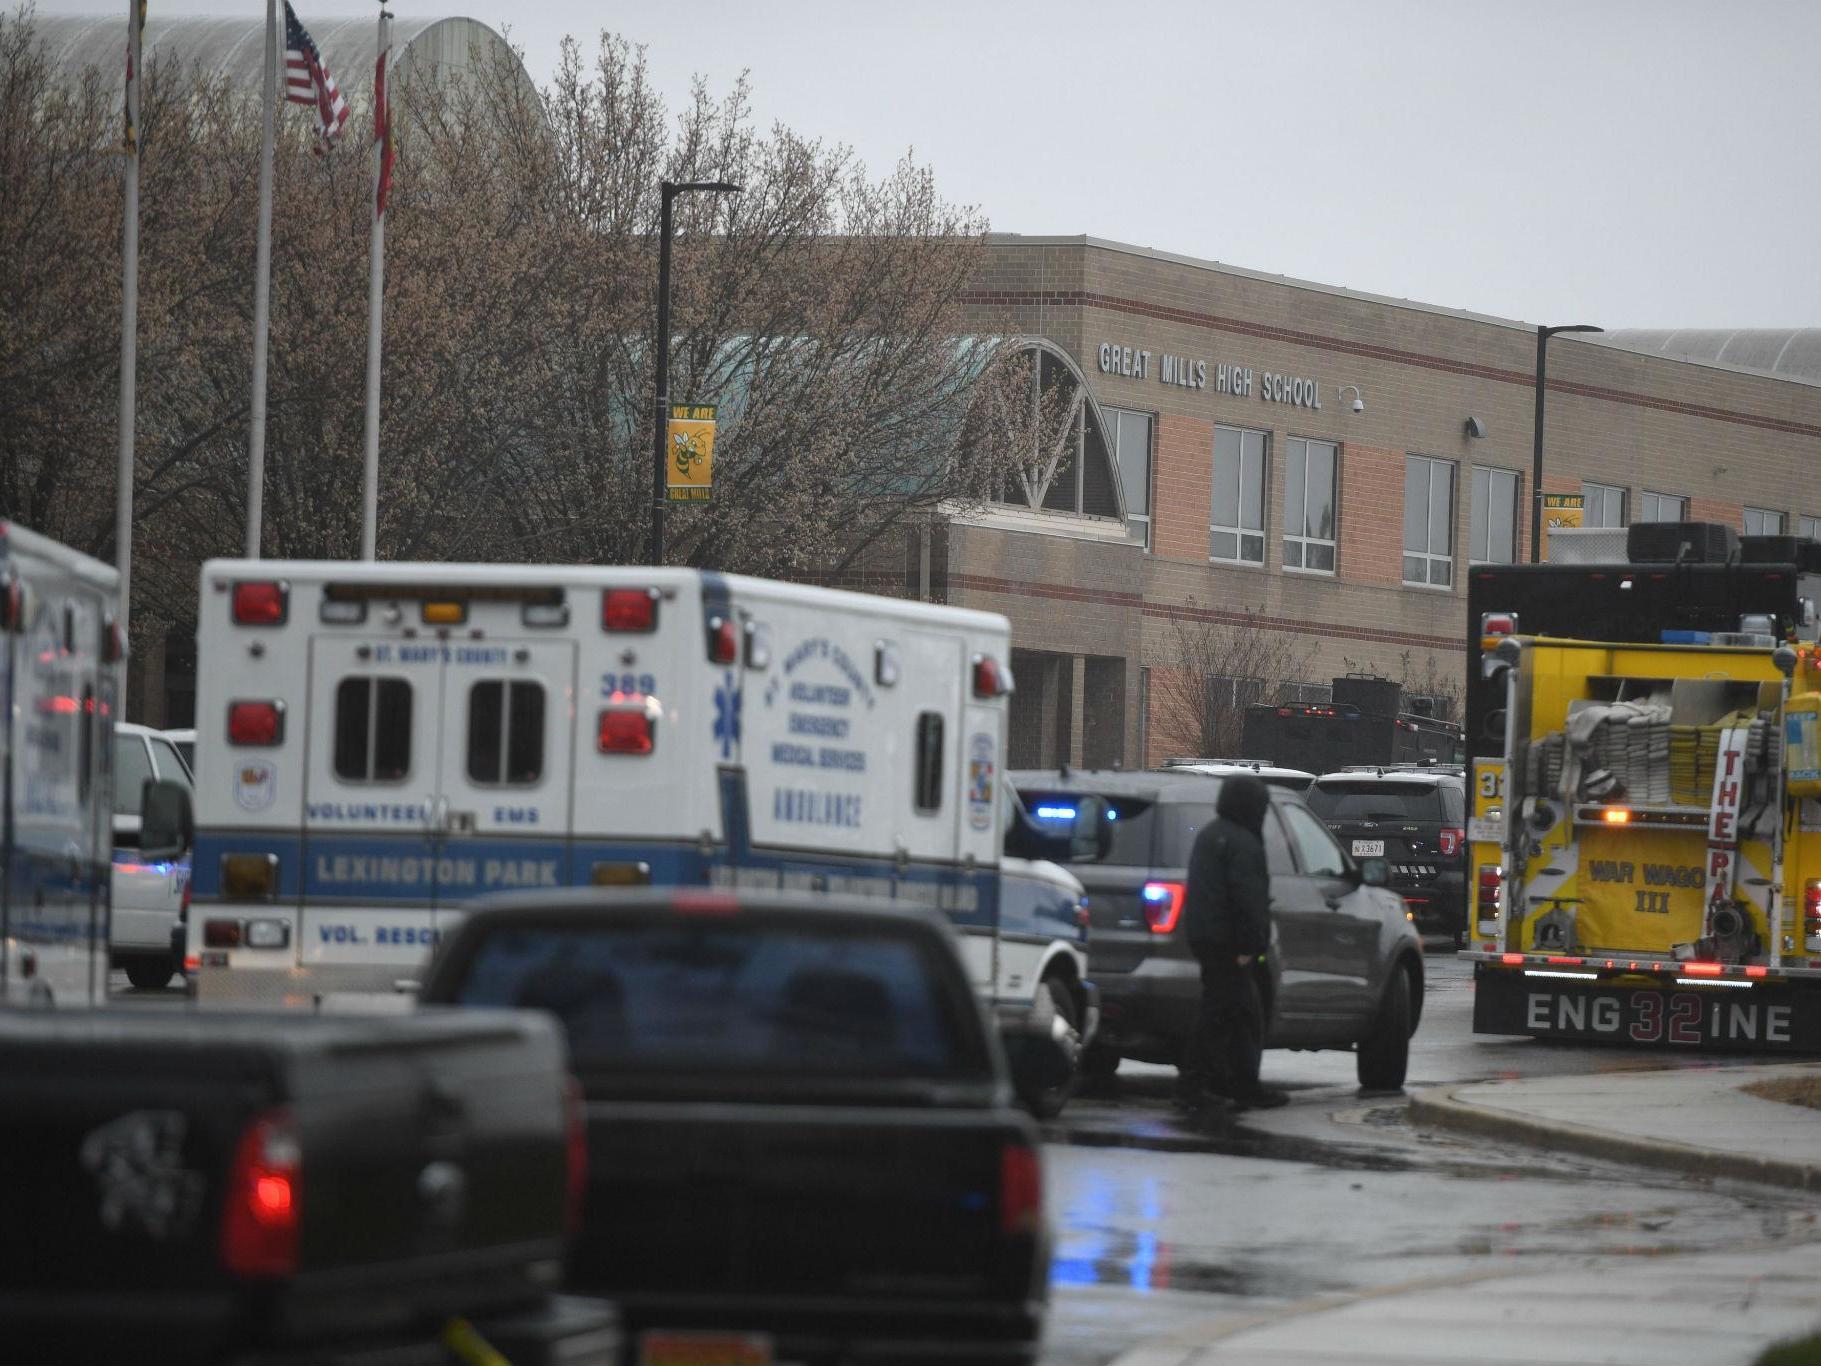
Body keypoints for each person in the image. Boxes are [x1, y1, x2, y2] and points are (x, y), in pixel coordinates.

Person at [1175, 773, 1289, 1113]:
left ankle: (1222, 1083)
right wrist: (1249, 946)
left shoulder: (1211, 835)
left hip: (1206, 937)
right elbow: (1247, 899)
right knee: (1236, 1014)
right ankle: (1206, 1085)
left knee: (1226, 1012)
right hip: (1231, 945)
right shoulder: (1243, 842)